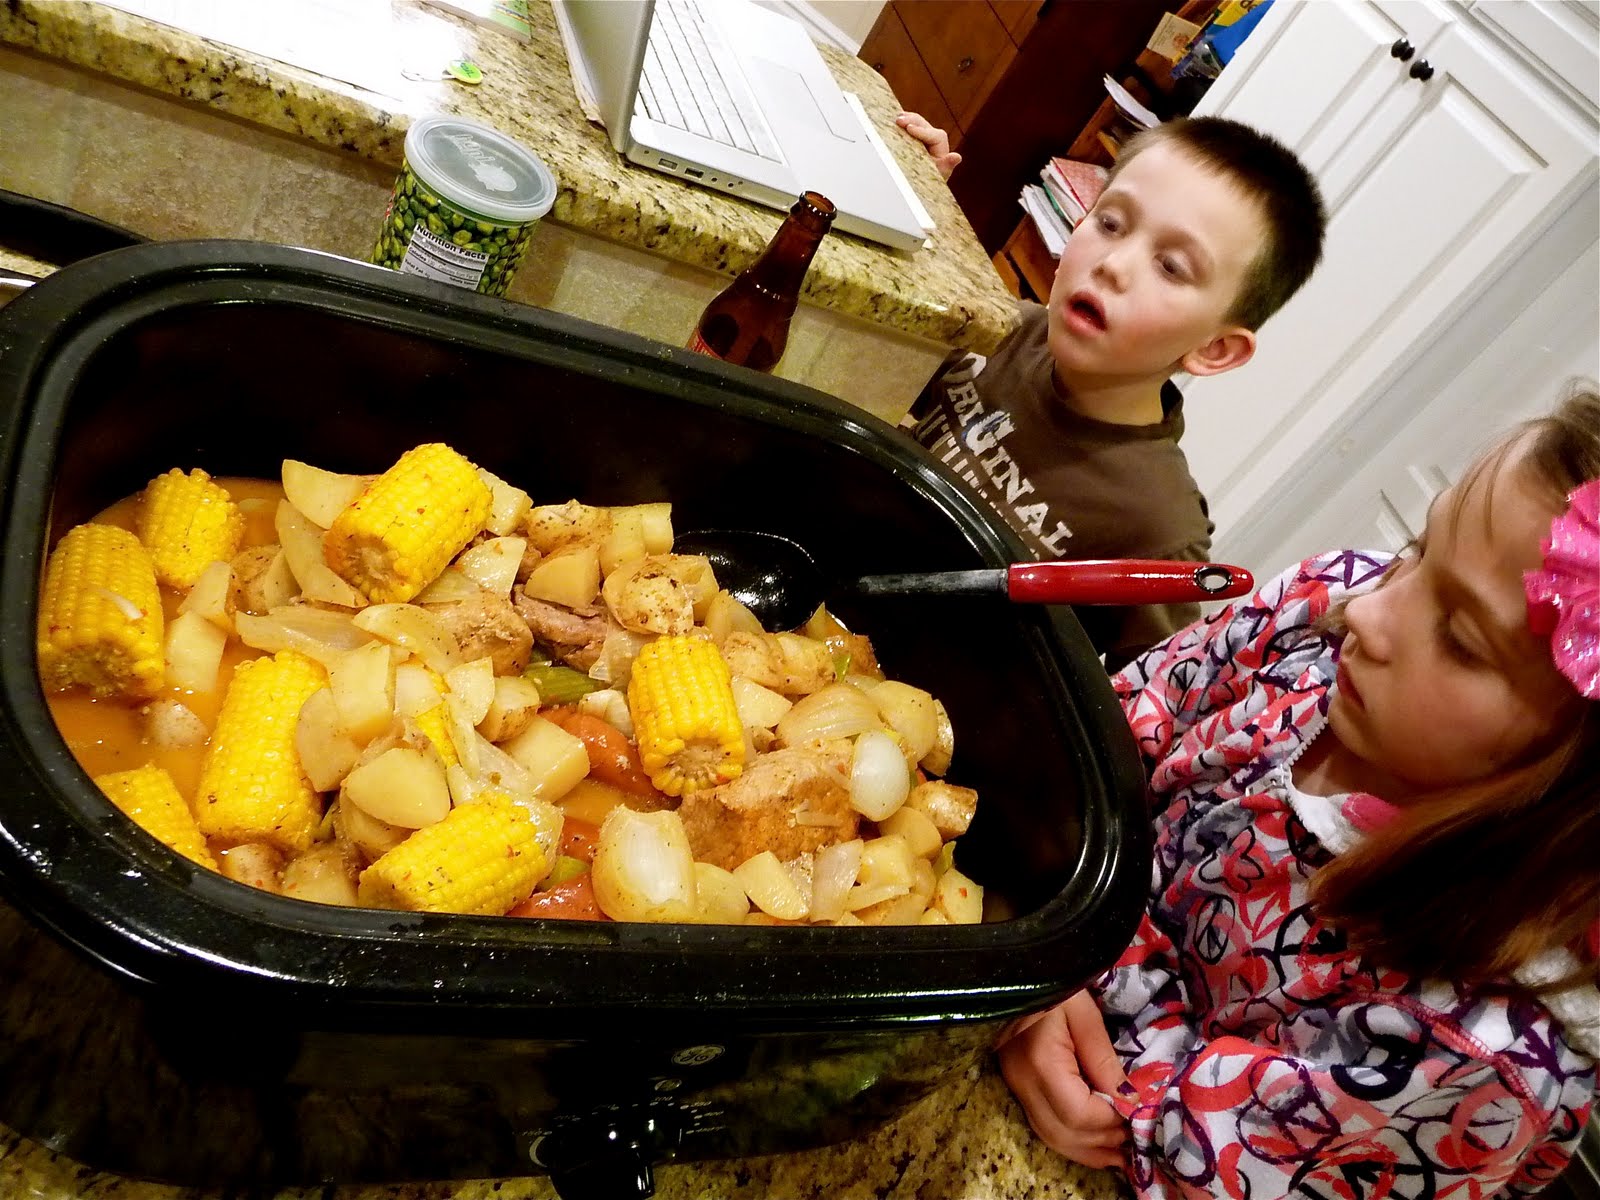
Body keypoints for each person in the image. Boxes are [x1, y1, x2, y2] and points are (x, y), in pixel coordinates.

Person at [998, 386, 1600, 1197]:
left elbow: (1203, 1158)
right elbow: (1103, 732)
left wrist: (1062, 966)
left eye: (1459, 637)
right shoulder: (1327, 607)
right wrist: (1040, 950)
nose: (1371, 611)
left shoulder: (1480, 1058)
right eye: (1418, 550)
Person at [897, 114, 1326, 669]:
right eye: (1111, 223)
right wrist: (913, 206)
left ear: (1215, 348)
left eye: (1171, 267)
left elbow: (1141, 693)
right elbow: (870, 359)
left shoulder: (1159, 533)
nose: (1113, 265)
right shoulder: (1002, 329)